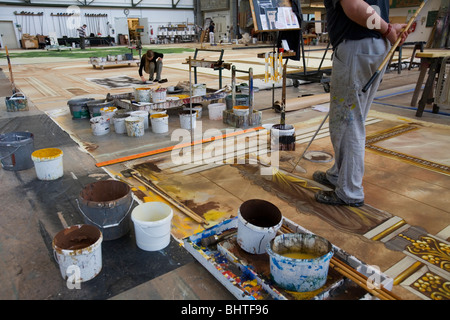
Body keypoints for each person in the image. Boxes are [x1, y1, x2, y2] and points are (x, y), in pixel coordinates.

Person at [313, 0, 410, 207]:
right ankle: (339, 175)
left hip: (358, 47)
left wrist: (387, 29)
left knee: (348, 123)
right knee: (353, 118)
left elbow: (355, 7)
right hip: (370, 46)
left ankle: (350, 190)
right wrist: (387, 28)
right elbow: (369, 8)